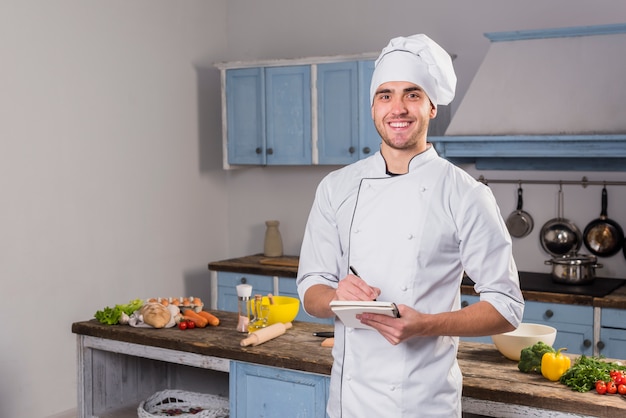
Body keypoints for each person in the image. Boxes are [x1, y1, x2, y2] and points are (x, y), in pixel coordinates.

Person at [296, 34, 524, 418]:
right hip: (346, 403)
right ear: (372, 106)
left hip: (422, 402)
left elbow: (507, 306)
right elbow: (310, 289)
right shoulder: (336, 187)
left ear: (432, 106)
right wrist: (337, 296)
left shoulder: (465, 194)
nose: (397, 108)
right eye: (385, 95)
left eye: (412, 94)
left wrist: (426, 325)